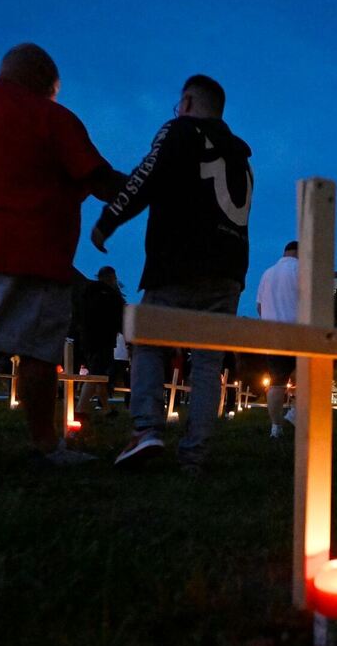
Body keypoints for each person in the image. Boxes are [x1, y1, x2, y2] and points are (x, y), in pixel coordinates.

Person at [0, 43, 124, 470]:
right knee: (37, 352)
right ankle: (46, 445)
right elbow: (100, 179)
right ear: (47, 83)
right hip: (31, 251)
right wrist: (147, 188)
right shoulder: (51, 117)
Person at [94, 74, 253, 472]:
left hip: (179, 262)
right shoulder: (242, 159)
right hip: (229, 272)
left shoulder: (181, 131)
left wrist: (109, 219)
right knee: (207, 364)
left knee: (147, 340)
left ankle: (146, 429)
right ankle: (195, 455)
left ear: (186, 102)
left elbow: (147, 176)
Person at [257, 240, 299, 438]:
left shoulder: (267, 273)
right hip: (298, 334)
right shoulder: (301, 270)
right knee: (308, 377)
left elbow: (259, 307)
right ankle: (296, 414)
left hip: (273, 336)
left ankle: (276, 427)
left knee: (277, 383)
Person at [76, 266, 125, 417]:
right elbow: (118, 320)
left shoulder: (87, 293)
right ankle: (80, 409)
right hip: (104, 341)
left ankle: (106, 409)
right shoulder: (111, 296)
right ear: (111, 277)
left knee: (99, 375)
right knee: (97, 374)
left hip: (87, 339)